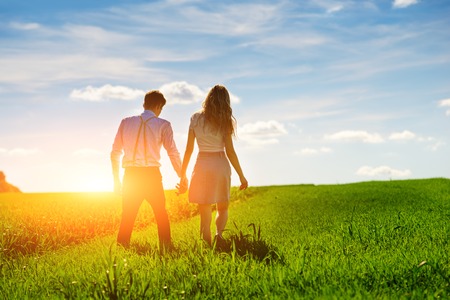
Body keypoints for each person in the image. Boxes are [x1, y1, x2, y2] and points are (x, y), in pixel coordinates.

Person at [111, 90, 188, 249]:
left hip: (131, 176)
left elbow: (115, 152)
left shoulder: (126, 122)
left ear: (144, 104)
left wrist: (116, 180)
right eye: (161, 109)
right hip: (152, 175)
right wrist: (182, 176)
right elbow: (172, 152)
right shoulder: (163, 124)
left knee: (128, 215)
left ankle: (122, 249)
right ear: (159, 106)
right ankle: (166, 249)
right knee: (161, 214)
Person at [178, 84, 248, 246]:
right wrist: (241, 175)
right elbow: (230, 151)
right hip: (220, 163)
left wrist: (182, 174)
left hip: (202, 163)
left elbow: (189, 150)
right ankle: (219, 235)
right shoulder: (226, 121)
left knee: (204, 209)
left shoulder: (195, 118)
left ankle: (207, 243)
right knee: (222, 207)